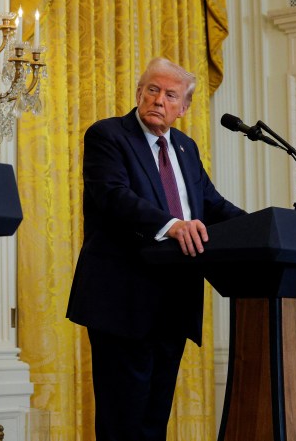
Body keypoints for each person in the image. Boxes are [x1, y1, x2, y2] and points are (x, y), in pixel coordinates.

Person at [66, 57, 246, 441]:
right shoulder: (108, 136)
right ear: (138, 93)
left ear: (184, 107)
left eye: (170, 95)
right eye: (152, 89)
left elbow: (211, 205)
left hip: (174, 300)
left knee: (154, 419)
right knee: (123, 420)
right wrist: (172, 225)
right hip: (122, 299)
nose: (159, 100)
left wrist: (263, 226)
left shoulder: (185, 147)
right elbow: (114, 196)